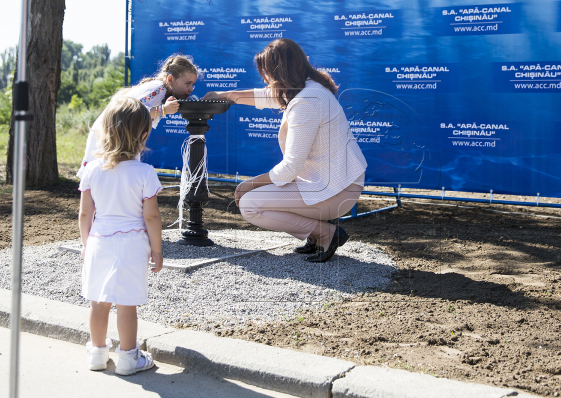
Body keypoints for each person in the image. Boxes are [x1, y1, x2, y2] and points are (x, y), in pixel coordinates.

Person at [203, 39, 367, 263]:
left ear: (281, 72)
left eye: (266, 73)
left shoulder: (306, 101)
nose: (264, 79)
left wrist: (249, 184)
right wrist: (227, 94)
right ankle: (318, 234)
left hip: (337, 191)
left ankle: (325, 233)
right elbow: (268, 97)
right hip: (335, 182)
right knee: (258, 198)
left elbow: (290, 167)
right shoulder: (309, 88)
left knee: (250, 204)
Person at [78, 97, 164, 375]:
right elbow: (151, 216)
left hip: (99, 241)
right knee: (127, 304)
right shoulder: (145, 173)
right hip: (132, 244)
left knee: (98, 302)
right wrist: (157, 249)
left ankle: (97, 352)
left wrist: (85, 244)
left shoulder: (92, 170)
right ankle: (128, 358)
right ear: (142, 135)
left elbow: (84, 215)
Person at [77, 54, 198, 178]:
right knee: (101, 176)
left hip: (120, 136)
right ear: (170, 79)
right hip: (109, 134)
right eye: (187, 83)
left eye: (193, 84)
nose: (191, 89)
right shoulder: (158, 89)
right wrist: (163, 110)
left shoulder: (160, 90)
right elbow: (133, 111)